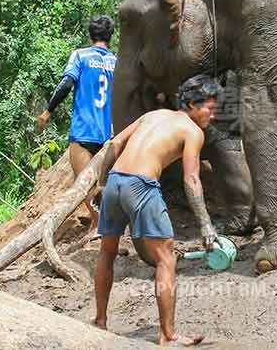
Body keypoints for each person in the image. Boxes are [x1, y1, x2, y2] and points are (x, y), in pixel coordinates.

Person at [94, 74, 221, 346]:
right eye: (210, 109)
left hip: (115, 179)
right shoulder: (192, 131)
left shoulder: (153, 115)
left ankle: (100, 321)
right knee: (166, 259)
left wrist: (103, 184)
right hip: (141, 185)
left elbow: (115, 144)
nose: (213, 116)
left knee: (107, 251)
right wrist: (206, 225)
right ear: (192, 104)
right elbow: (192, 179)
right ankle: (168, 334)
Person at [38, 15, 117, 239]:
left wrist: (48, 111)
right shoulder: (116, 61)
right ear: (111, 36)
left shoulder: (81, 55)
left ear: (90, 34)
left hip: (84, 130)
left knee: (82, 182)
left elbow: (66, 84)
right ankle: (106, 224)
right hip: (108, 132)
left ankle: (97, 226)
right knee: (104, 182)